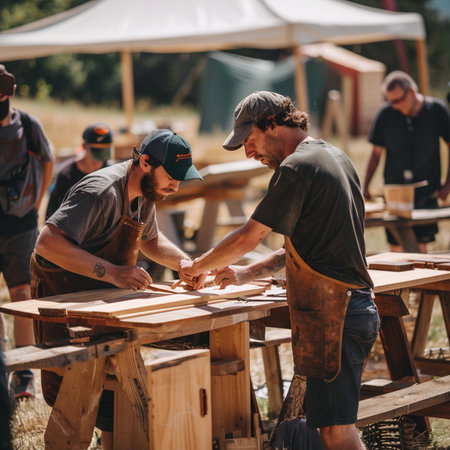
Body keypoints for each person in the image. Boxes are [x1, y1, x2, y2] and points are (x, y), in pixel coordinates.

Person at [180, 91, 380, 450]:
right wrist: (245, 275)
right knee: (334, 429)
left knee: (337, 432)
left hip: (338, 315)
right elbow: (304, 247)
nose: (249, 153)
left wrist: (198, 266)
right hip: (351, 309)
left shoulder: (296, 167)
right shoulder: (334, 156)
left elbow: (248, 236)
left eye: (250, 140)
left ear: (271, 124)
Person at [31, 128, 202, 449]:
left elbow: (150, 240)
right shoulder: (101, 190)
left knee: (113, 381)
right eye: (172, 176)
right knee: (72, 385)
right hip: (62, 290)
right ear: (146, 162)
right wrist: (114, 273)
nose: (176, 186)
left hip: (97, 294)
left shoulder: (146, 192)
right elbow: (47, 242)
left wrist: (184, 263)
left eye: (181, 178)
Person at [0, 64, 54, 399]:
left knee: (21, 295)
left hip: (20, 224)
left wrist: (37, 203)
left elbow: (47, 160)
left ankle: (23, 372)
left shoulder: (28, 124)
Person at [363, 70, 450, 252]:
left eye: (397, 100)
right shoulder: (386, 113)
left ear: (410, 92)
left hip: (426, 194)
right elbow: (376, 153)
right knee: (397, 250)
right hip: (395, 195)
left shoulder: (436, 110)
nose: (394, 106)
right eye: (390, 101)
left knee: (420, 252)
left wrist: (447, 185)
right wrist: (365, 187)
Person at [46, 122, 114, 218]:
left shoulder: (111, 173)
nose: (100, 160)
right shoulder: (66, 175)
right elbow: (52, 213)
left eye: (104, 153)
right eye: (96, 152)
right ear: (84, 146)